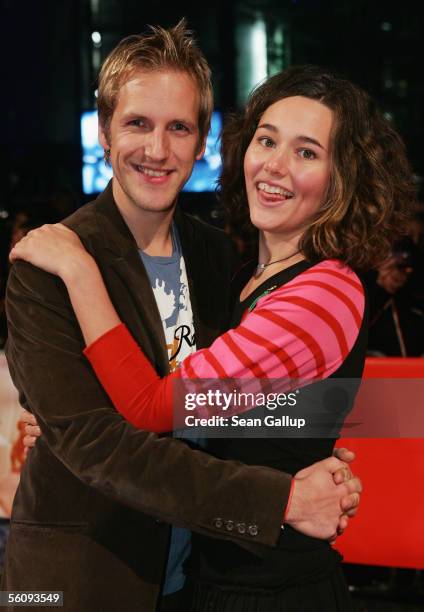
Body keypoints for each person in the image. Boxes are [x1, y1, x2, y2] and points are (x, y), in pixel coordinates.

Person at [11, 64, 413, 610]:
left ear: (202, 142)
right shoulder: (48, 261)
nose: (156, 148)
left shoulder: (231, 261)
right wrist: (66, 427)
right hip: (87, 581)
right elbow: (99, 441)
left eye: (178, 127)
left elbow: (159, 406)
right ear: (104, 133)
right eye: (268, 140)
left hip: (247, 581)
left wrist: (300, 467)